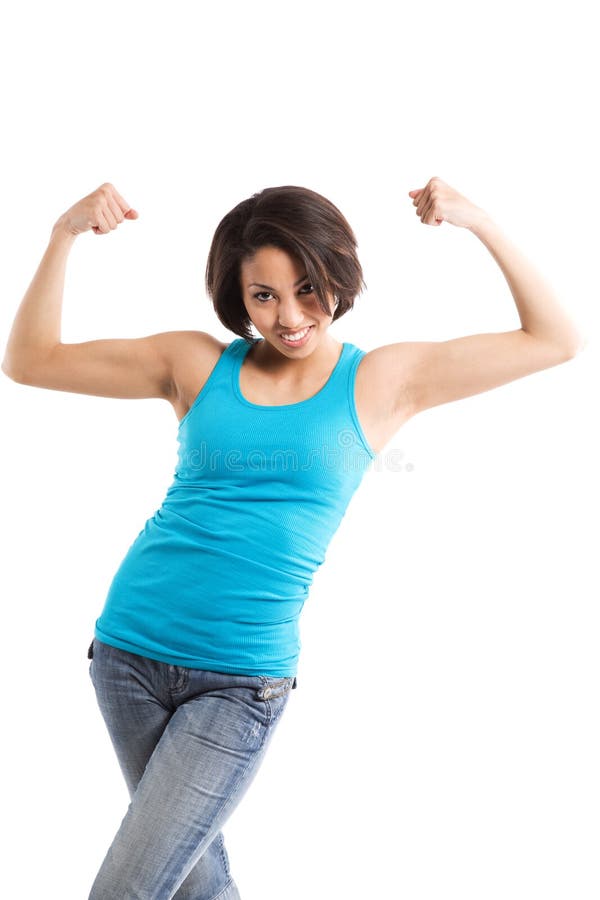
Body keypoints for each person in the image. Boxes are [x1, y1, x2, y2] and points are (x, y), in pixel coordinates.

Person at [1, 177, 585, 899]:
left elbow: (555, 339)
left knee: (126, 889)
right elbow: (29, 361)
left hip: (240, 681)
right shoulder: (195, 363)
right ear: (237, 299)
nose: (290, 315)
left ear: (338, 274)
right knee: (193, 884)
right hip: (127, 655)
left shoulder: (382, 380)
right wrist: (63, 234)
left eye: (308, 288)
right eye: (264, 296)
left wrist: (478, 221)